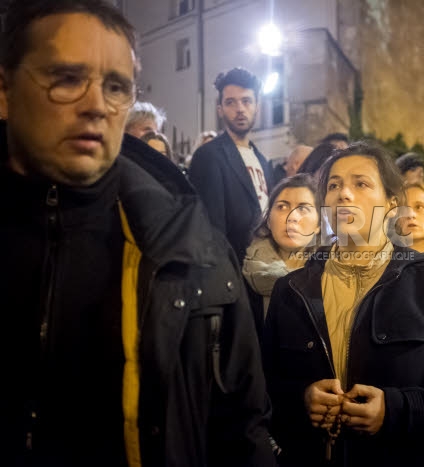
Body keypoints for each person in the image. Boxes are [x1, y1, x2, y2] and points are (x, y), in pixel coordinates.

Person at [0, 2, 274, 466]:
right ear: (5, 91)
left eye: (116, 87)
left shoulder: (192, 246)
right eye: (66, 78)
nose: (96, 106)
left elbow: (242, 423)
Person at [263, 142, 424, 467]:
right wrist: (302, 399)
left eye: (361, 183)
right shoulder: (291, 290)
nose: (344, 194)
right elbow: (264, 389)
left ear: (391, 204)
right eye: (333, 186)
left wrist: (395, 409)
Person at [189, 67, 273, 264]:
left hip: (267, 270)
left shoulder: (263, 161)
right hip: (235, 272)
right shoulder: (208, 156)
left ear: (257, 106)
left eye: (246, 101)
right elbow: (211, 231)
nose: (240, 109)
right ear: (220, 110)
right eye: (230, 102)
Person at [243, 174, 320, 327]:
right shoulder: (244, 277)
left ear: (318, 225)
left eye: (303, 208)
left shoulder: (331, 278)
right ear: (269, 221)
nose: (292, 217)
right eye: (282, 207)